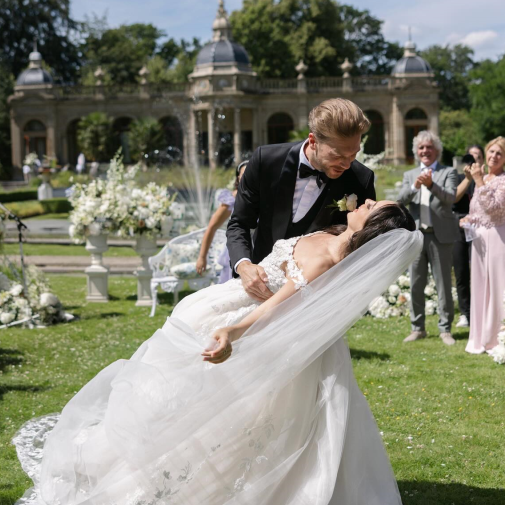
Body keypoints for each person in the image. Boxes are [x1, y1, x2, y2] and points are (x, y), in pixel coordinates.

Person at [14, 200, 420, 505]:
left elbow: (277, 308)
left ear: (374, 227)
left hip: (256, 332)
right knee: (179, 410)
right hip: (230, 300)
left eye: (372, 206)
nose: (364, 201)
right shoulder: (332, 234)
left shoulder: (331, 259)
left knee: (225, 429)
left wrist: (232, 333)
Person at [227, 98, 376, 303]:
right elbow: (239, 223)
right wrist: (244, 266)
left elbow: (360, 244)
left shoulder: (361, 179)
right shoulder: (266, 161)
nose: (347, 164)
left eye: (353, 154)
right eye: (338, 155)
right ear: (313, 141)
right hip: (258, 287)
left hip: (317, 298)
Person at [398, 131, 459, 345]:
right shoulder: (410, 175)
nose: (425, 151)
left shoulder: (448, 172)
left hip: (440, 236)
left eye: (429, 147)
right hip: (417, 237)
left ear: (437, 151)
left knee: (443, 284)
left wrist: (432, 184)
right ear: (416, 151)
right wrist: (416, 185)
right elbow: (400, 200)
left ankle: (445, 329)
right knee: (416, 284)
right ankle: (418, 328)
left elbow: (451, 198)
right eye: (421, 148)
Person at [462, 137, 505, 353]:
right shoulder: (483, 177)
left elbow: (495, 209)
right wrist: (468, 219)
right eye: (492, 151)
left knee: (500, 286)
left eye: (500, 153)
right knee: (480, 287)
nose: (494, 156)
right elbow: (478, 209)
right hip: (479, 241)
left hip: (499, 238)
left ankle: (502, 337)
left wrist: (478, 181)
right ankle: (480, 336)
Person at [196, 160, 248, 283]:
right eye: (243, 175)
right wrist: (202, 257)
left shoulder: (264, 198)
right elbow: (212, 227)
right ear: (238, 178)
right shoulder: (231, 199)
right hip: (237, 250)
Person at [452, 145, 485, 328]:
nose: (473, 161)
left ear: (483, 160)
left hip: (480, 228)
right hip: (459, 227)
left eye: (477, 157)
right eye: (470, 157)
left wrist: (479, 178)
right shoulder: (458, 178)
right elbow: (454, 198)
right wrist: (467, 178)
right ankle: (465, 313)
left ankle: (481, 310)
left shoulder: (486, 179)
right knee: (461, 272)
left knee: (480, 270)